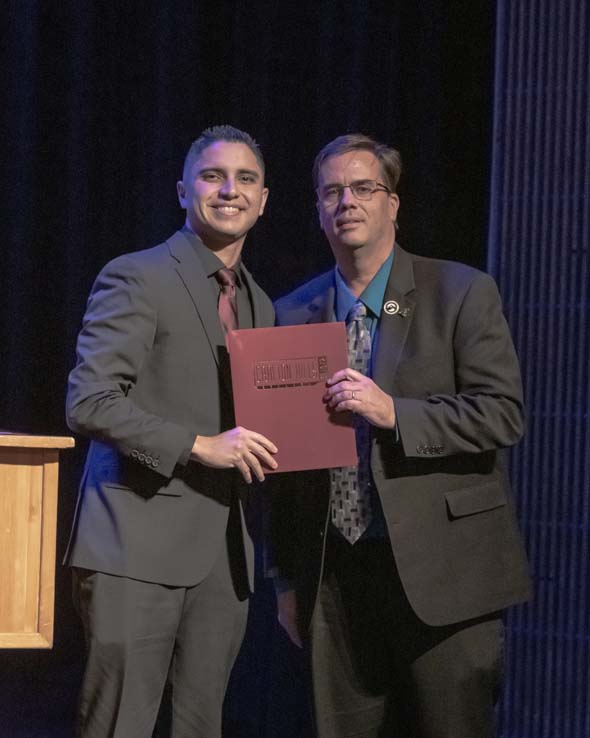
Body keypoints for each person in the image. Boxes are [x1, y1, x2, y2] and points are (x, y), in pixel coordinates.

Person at [269, 133, 532, 738]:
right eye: (331, 191)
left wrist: (396, 413)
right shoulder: (292, 312)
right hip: (334, 581)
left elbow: (502, 415)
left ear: (394, 204)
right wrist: (284, 579)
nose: (347, 203)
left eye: (364, 188)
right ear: (315, 208)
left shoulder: (459, 292)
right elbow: (284, 468)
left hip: (445, 577)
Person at [65, 125, 278, 738]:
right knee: (120, 726)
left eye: (246, 179)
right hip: (135, 544)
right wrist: (198, 445)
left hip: (224, 557)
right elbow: (89, 400)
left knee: (200, 727)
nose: (229, 190)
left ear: (264, 201)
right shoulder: (138, 275)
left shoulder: (261, 303)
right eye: (213, 176)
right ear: (183, 190)